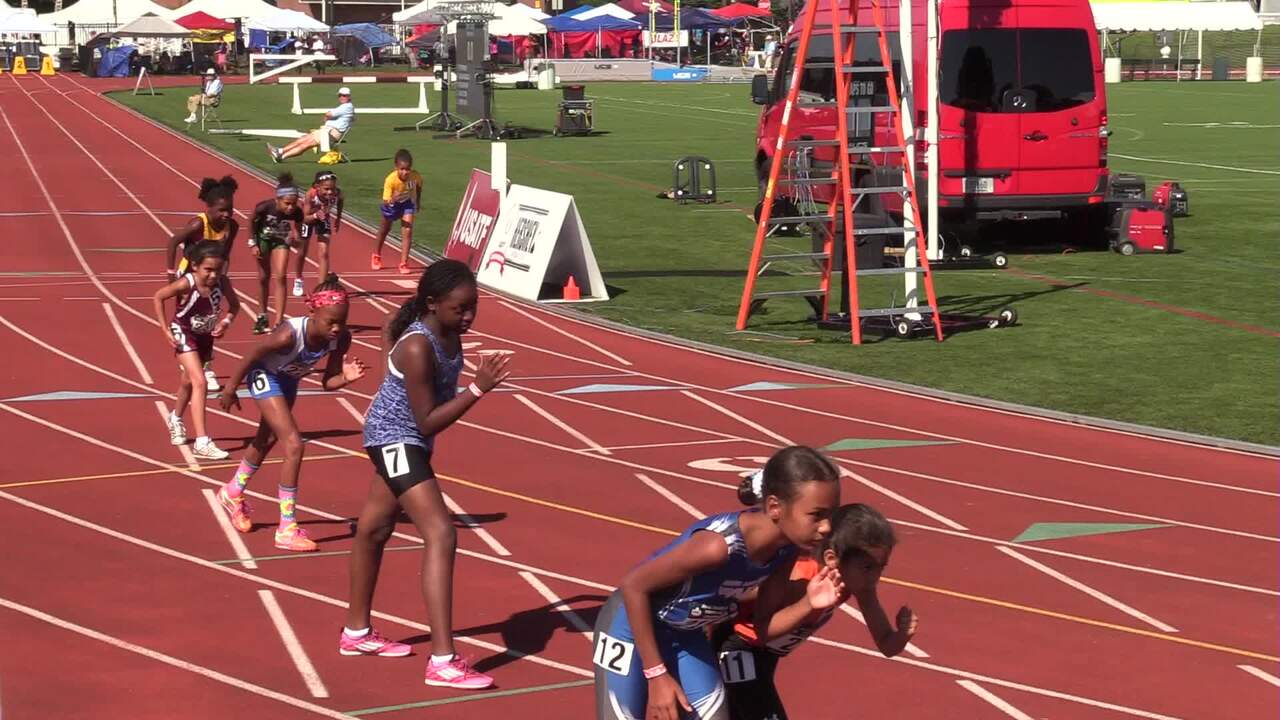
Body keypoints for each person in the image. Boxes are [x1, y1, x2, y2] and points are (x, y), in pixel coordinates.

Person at [342, 259, 511, 686]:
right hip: (396, 438)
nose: (469, 316)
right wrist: (479, 388)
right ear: (432, 304)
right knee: (441, 533)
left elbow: (387, 330)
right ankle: (443, 661)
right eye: (460, 309)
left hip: (409, 439)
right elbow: (427, 421)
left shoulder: (447, 332)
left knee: (374, 530)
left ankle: (355, 633)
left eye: (473, 307)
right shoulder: (418, 346)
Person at [593, 446, 843, 720]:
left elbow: (763, 629)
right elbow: (633, 586)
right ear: (774, 507)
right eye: (816, 515)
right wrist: (657, 676)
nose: (827, 527)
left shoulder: (786, 550)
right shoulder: (718, 547)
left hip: (684, 635)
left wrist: (808, 604)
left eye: (831, 515)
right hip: (629, 626)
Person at [713, 477, 920, 720]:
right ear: (833, 559)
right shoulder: (798, 576)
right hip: (738, 647)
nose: (875, 577)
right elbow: (763, 630)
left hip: (766, 657)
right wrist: (806, 604)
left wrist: (902, 635)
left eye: (880, 568)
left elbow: (887, 646)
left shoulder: (859, 585)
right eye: (867, 567)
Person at [216, 274, 367, 552]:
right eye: (330, 321)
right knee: (294, 445)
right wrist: (230, 389)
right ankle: (286, 528)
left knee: (266, 439)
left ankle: (232, 491)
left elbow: (327, 382)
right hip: (264, 375)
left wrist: (345, 377)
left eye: (342, 322)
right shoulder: (289, 334)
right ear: (313, 311)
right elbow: (252, 355)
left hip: (288, 380)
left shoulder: (339, 339)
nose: (336, 328)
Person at [152, 240, 241, 461]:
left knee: (188, 381)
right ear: (195, 266)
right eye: (208, 270)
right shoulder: (186, 284)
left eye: (217, 270)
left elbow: (235, 306)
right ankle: (202, 442)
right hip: (183, 332)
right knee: (200, 382)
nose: (213, 275)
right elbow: (159, 297)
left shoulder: (223, 283)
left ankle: (175, 418)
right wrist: (165, 330)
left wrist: (226, 323)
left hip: (205, 336)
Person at [166, 175, 239, 391]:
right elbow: (173, 242)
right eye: (221, 211)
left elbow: (226, 253)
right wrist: (171, 274)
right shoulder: (198, 223)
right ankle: (191, 359)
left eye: (230, 210)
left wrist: (223, 275)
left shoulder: (232, 226)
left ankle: (204, 365)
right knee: (189, 319)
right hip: (190, 275)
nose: (226, 214)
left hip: (213, 277)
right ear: (209, 209)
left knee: (210, 320)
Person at [249, 174, 305, 335]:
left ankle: (279, 320)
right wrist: (252, 243)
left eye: (293, 204)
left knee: (280, 276)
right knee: (263, 278)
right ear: (278, 199)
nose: (290, 208)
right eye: (287, 204)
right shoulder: (264, 207)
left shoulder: (297, 212)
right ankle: (262, 315)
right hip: (263, 240)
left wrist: (296, 239)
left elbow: (298, 230)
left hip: (281, 242)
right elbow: (251, 223)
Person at [370, 148, 423, 274]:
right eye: (402, 169)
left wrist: (418, 201)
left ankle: (404, 263)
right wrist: (394, 198)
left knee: (408, 230)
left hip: (407, 204)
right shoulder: (390, 180)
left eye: (407, 169)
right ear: (396, 168)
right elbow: (385, 201)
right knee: (384, 230)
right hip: (392, 205)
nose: (405, 172)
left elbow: (419, 186)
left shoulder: (415, 176)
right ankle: (376, 254)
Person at [293, 171, 345, 297]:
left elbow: (340, 202)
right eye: (326, 189)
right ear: (317, 187)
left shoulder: (338, 193)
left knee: (324, 252)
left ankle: (321, 288)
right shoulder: (310, 195)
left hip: (323, 218)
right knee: (302, 251)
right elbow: (304, 217)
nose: (330, 192)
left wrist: (338, 218)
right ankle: (298, 279)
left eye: (332, 189)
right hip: (308, 219)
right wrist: (316, 215)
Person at [268, 87, 355, 163]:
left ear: (348, 96)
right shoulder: (345, 107)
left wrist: (327, 117)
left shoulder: (346, 107)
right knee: (304, 139)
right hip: (327, 132)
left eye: (344, 95)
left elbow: (329, 114)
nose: (341, 97)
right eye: (340, 95)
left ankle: (281, 155)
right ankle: (280, 151)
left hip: (331, 134)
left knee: (305, 144)